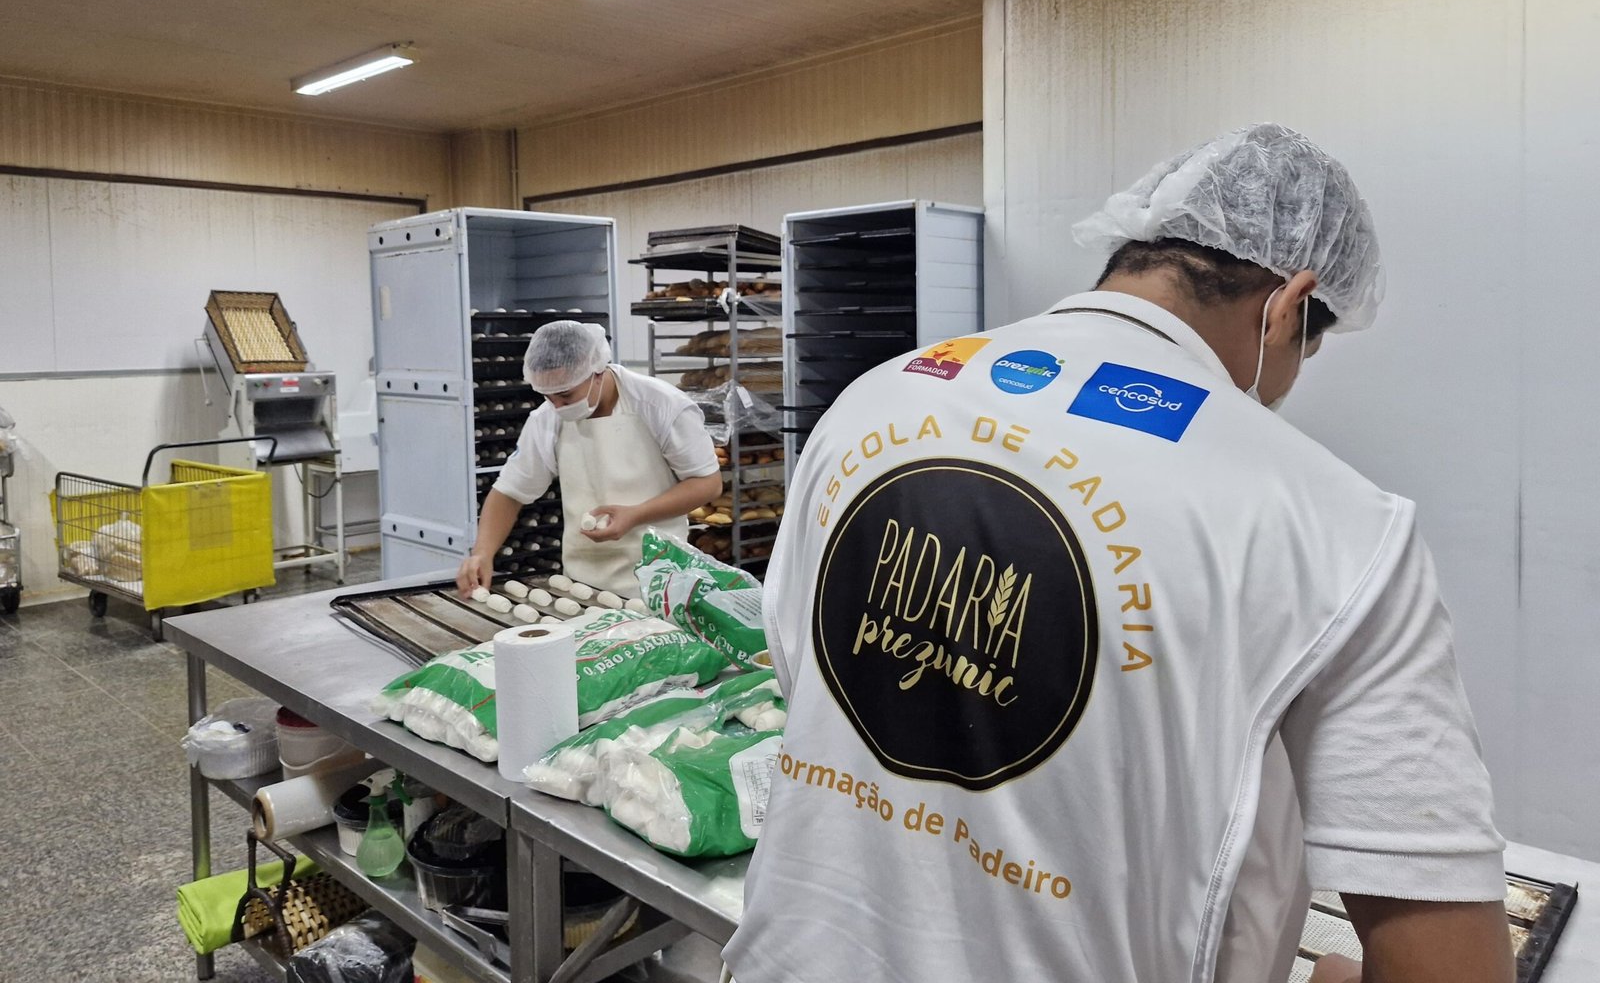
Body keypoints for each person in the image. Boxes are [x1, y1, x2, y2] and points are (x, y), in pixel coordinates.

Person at [724, 125, 1512, 983]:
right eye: (1301, 354)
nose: (1283, 387)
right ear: (1288, 304)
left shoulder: (873, 401)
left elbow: (821, 698)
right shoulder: (1343, 529)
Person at [456, 320, 722, 599]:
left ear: (597, 371)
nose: (557, 407)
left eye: (565, 395)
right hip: (582, 585)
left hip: (660, 579)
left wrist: (635, 515)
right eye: (548, 397)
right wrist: (482, 553)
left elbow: (708, 483)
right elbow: (509, 492)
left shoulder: (660, 404)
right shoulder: (546, 420)